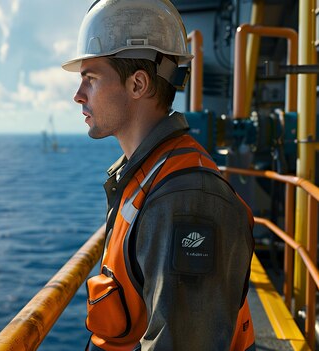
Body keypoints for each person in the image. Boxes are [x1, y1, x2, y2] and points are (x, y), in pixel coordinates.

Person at [62, 1, 255, 350]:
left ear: (137, 84)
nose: (78, 95)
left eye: (90, 79)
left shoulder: (187, 201)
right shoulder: (148, 174)